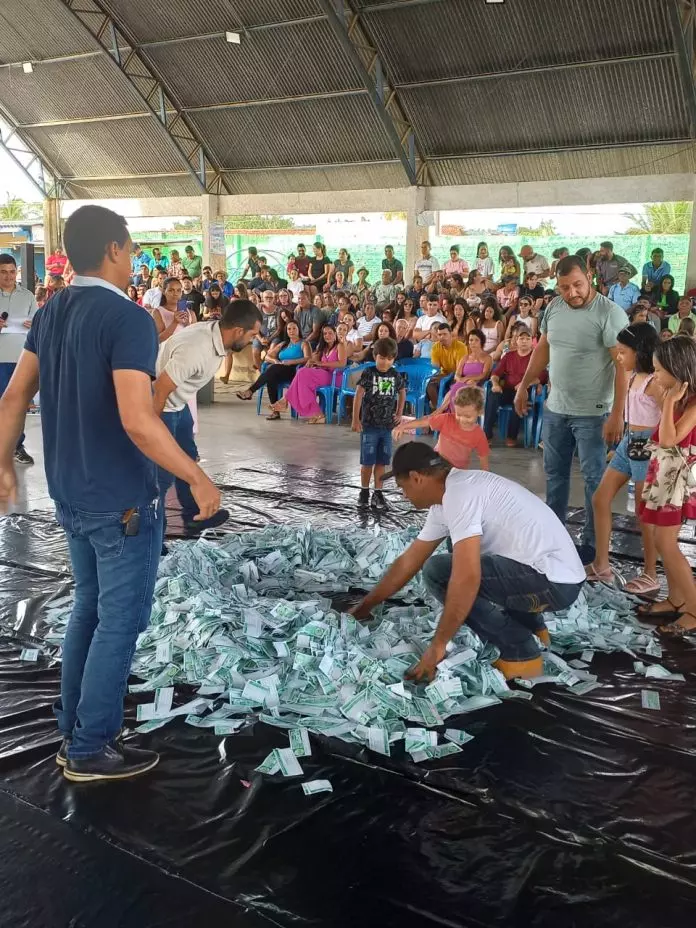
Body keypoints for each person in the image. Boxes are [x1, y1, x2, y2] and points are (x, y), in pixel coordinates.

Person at [0, 205, 222, 782]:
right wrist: (195, 475)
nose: (135, 258)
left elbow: (13, 398)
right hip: (121, 499)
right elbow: (138, 419)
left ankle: (72, 727)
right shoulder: (127, 318)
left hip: (69, 493)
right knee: (120, 622)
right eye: (132, 248)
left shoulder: (52, 312)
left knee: (89, 610)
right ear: (116, 250)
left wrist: (3, 463)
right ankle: (90, 747)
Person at [350, 442, 585, 681]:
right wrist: (366, 605)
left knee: (439, 571)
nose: (404, 495)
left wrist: (437, 646)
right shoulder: (451, 495)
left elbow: (467, 577)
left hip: (553, 583)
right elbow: (409, 561)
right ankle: (533, 625)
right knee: (459, 551)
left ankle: (520, 651)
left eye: (403, 487)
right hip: (556, 576)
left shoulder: (459, 495)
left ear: (417, 478)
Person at [514, 254, 628, 560]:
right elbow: (543, 349)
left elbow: (622, 368)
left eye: (577, 285)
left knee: (594, 479)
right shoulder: (554, 307)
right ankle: (554, 537)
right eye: (564, 287)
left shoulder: (610, 314)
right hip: (556, 408)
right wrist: (524, 386)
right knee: (555, 475)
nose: (572, 293)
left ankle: (591, 544)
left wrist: (617, 413)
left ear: (589, 276)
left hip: (593, 412)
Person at [154, 299, 261, 538]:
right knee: (158, 477)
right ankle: (153, 543)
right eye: (252, 334)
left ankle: (195, 517)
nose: (253, 340)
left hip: (179, 405)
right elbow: (159, 389)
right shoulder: (197, 348)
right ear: (238, 331)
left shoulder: (215, 333)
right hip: (162, 404)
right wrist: (153, 433)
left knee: (188, 459)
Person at [585, 323, 662, 594]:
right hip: (628, 443)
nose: (619, 357)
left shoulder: (655, 383)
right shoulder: (630, 376)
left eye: (623, 352)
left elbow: (669, 419)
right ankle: (601, 564)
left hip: (649, 447)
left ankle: (651, 573)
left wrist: (659, 451)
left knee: (645, 514)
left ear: (640, 352)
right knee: (600, 498)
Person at [638, 336, 696, 636]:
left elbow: (672, 438)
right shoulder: (676, 395)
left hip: (678, 476)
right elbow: (662, 432)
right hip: (664, 470)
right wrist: (668, 400)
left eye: (659, 370)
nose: (655, 376)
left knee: (668, 543)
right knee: (662, 540)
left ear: (678, 369)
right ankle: (676, 598)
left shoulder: (692, 402)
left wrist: (670, 401)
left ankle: (693, 609)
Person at [352, 337, 406, 509]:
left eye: (389, 359)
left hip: (387, 427)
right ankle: (364, 491)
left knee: (382, 462)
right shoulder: (369, 373)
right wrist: (355, 419)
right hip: (369, 426)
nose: (385, 362)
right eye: (382, 358)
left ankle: (378, 493)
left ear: (393, 359)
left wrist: (399, 413)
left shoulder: (395, 375)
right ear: (375, 356)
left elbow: (402, 392)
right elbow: (358, 395)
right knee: (367, 462)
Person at [0, 253, 37, 465]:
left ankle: (16, 445)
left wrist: (34, 324)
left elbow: (38, 321)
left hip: (21, 358)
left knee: (18, 404)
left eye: (12, 272)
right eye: (3, 272)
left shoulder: (28, 296)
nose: (8, 276)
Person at [395, 386, 489, 471]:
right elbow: (425, 421)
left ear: (479, 412)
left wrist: (486, 477)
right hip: (436, 463)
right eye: (458, 414)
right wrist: (403, 426)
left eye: (468, 416)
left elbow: (483, 459)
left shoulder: (479, 434)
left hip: (457, 471)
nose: (462, 419)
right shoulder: (446, 419)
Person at [271, 324, 346, 423]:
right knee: (302, 373)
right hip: (323, 374)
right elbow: (314, 359)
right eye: (325, 334)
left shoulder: (339, 346)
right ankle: (318, 415)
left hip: (335, 377)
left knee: (302, 373)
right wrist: (312, 362)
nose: (327, 336)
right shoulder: (323, 348)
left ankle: (285, 400)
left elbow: (342, 364)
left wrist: (322, 363)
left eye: (330, 333)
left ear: (335, 334)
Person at [485, 327, 545, 446]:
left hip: (524, 391)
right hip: (507, 389)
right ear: (516, 340)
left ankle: (512, 436)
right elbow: (496, 373)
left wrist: (525, 384)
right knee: (492, 395)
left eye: (527, 339)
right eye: (521, 338)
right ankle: (487, 435)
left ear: (531, 341)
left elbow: (542, 376)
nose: (524, 341)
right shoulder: (509, 356)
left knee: (518, 400)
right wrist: (496, 384)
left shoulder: (535, 357)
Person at [426, 323, 468, 406]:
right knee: (430, 384)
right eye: (439, 335)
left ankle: (450, 411)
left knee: (454, 383)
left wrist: (444, 377)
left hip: (459, 375)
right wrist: (435, 376)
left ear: (451, 334)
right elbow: (435, 368)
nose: (442, 337)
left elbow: (459, 370)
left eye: (445, 334)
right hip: (444, 374)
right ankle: (437, 409)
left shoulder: (461, 347)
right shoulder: (435, 347)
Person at [153, 277, 195, 342]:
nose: (175, 294)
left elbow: (195, 337)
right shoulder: (158, 312)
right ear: (164, 291)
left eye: (178, 290)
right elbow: (158, 340)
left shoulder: (191, 313)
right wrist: (175, 322)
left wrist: (187, 324)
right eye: (171, 290)